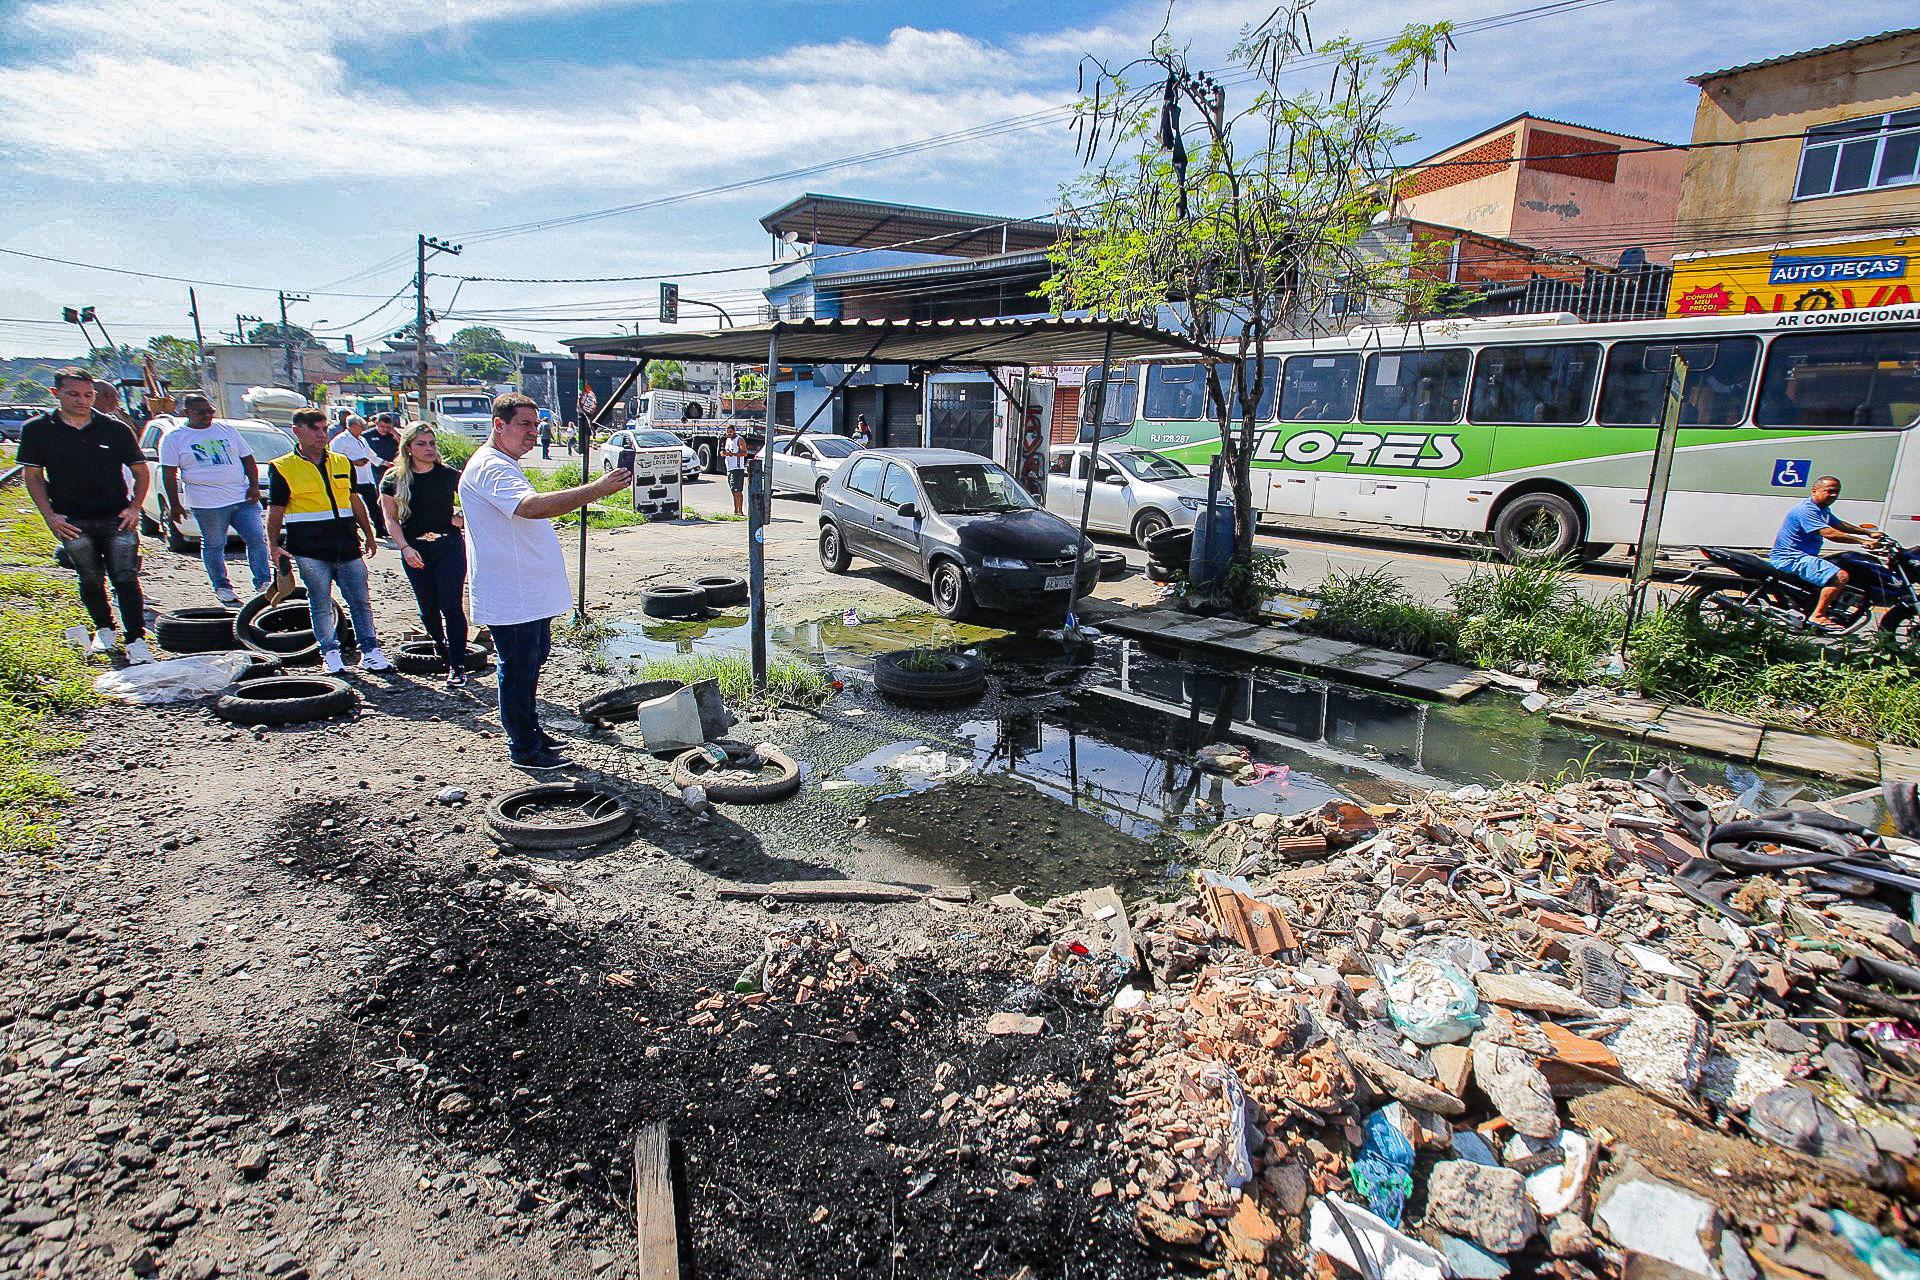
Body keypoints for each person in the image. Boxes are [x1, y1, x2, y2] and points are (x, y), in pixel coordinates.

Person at [460, 393, 628, 770]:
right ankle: (523, 747)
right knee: (518, 669)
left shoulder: (502, 463)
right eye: (524, 425)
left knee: (530, 665)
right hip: (513, 592)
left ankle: (530, 733)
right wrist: (597, 489)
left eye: (536, 425)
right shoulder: (490, 466)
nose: (533, 433)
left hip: (527, 592)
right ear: (498, 425)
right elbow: (531, 506)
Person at [18, 368, 154, 663]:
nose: (82, 401)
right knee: (90, 577)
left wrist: (134, 507)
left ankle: (136, 639)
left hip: (116, 516)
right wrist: (50, 516)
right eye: (74, 394)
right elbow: (34, 476)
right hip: (72, 519)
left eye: (88, 395)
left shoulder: (115, 428)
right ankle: (105, 629)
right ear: (56, 394)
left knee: (126, 578)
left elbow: (141, 471)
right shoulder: (37, 429)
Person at [265, 409, 390, 674]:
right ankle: (330, 652)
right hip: (310, 549)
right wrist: (273, 545)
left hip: (346, 545)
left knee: (360, 601)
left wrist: (369, 533)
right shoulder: (282, 467)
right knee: (320, 602)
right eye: (315, 429)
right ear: (297, 431)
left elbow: (354, 500)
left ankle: (370, 650)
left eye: (324, 429)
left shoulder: (341, 462)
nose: (322, 435)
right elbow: (275, 510)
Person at [159, 392, 272, 605]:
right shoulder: (175, 438)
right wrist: (175, 505)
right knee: (214, 545)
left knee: (257, 539)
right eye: (201, 412)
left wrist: (255, 486)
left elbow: (247, 458)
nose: (207, 415)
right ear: (187, 412)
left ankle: (263, 583)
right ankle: (222, 586)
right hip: (206, 503)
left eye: (210, 411)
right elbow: (169, 473)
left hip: (241, 497)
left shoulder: (227, 430)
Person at [381, 422, 472, 687]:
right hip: (415, 548)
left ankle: (457, 664)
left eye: (432, 443)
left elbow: (477, 503)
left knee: (451, 605)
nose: (428, 449)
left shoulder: (448, 475)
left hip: (449, 546)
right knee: (428, 608)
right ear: (408, 448)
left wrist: (461, 518)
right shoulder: (394, 478)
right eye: (421, 444)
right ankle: (439, 643)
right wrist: (405, 548)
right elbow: (390, 519)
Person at [1769, 475, 1886, 631]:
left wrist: (1867, 533)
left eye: (1837, 491)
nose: (1834, 495)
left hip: (1804, 556)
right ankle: (1818, 615)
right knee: (1840, 576)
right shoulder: (1806, 510)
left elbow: (1839, 525)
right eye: (1829, 491)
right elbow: (1829, 533)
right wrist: (1862, 542)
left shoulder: (1822, 509)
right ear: (1814, 491)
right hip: (1792, 558)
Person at [332, 414, 384, 537]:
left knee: (373, 504)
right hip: (350, 478)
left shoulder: (362, 439)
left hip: (365, 477)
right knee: (351, 506)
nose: (363, 429)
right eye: (361, 426)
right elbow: (334, 458)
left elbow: (371, 455)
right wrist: (353, 462)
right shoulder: (340, 440)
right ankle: (353, 531)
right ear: (353, 426)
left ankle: (380, 529)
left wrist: (383, 462)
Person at [721, 423, 747, 516]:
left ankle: (740, 511)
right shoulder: (727, 440)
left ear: (734, 431)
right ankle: (735, 510)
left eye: (731, 432)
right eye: (727, 432)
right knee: (733, 490)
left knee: (737, 491)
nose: (729, 434)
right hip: (730, 468)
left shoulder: (739, 440)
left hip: (737, 468)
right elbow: (727, 451)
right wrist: (724, 453)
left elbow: (744, 453)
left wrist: (734, 454)